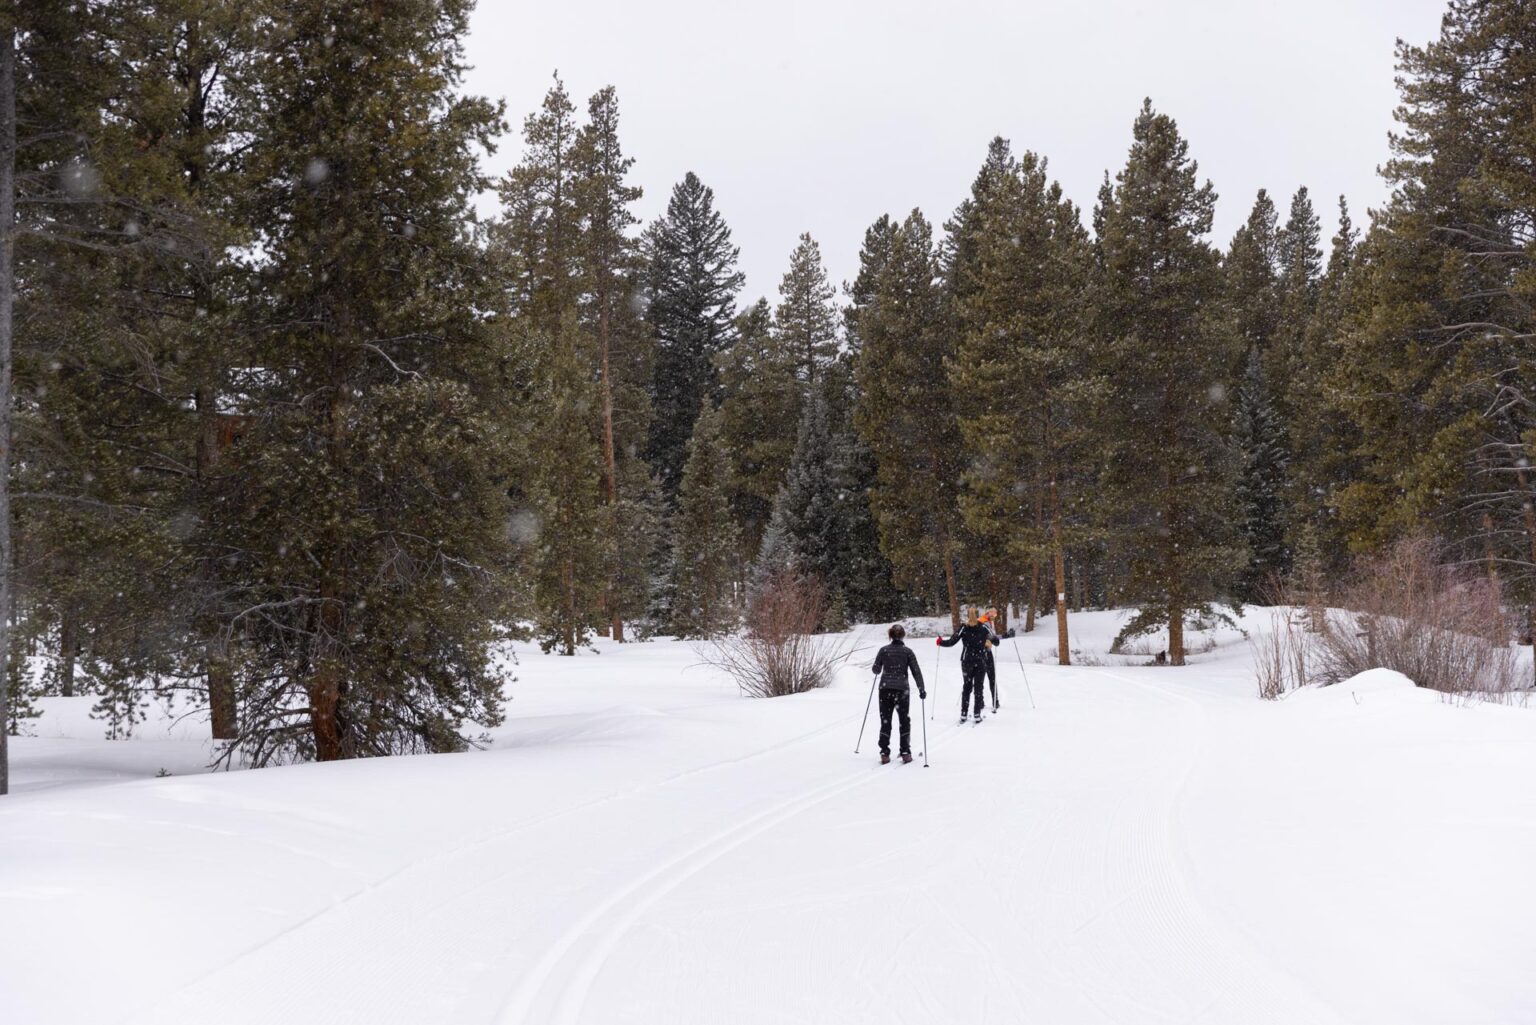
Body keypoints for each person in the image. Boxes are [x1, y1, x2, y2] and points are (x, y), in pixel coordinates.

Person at [939, 606, 1013, 723]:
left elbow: (952, 642)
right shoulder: (983, 627)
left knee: (967, 687)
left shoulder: (964, 628)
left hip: (966, 661)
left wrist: (940, 642)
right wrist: (989, 641)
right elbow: (996, 642)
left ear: (967, 616)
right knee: (978, 687)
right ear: (978, 615)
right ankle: (977, 714)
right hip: (980, 661)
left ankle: (964, 713)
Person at [872, 623, 926, 764]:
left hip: (885, 689)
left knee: (886, 720)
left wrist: (878, 667)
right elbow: (916, 671)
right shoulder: (907, 652)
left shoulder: (883, 650)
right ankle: (905, 752)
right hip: (901, 689)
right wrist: (921, 688)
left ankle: (884, 753)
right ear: (903, 635)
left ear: (890, 635)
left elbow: (876, 669)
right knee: (904, 720)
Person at [980, 607, 1014, 713]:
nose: (994, 616)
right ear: (988, 613)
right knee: (991, 677)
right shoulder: (986, 623)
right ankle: (995, 701)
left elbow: (993, 637)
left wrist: (1005, 636)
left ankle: (980, 701)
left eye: (995, 614)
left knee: (979, 678)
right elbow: (992, 637)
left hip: (978, 652)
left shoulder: (983, 620)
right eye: (992, 614)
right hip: (985, 652)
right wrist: (1004, 636)